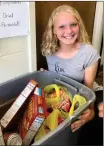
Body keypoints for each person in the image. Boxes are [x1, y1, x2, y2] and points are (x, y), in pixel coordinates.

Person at [41, 4, 102, 145]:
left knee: (95, 119)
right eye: (61, 26)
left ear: (79, 26)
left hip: (87, 93)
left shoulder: (88, 53)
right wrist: (46, 76)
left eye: (73, 24)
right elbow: (55, 79)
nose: (68, 31)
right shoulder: (49, 51)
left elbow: (88, 88)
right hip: (64, 95)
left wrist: (90, 113)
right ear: (53, 30)